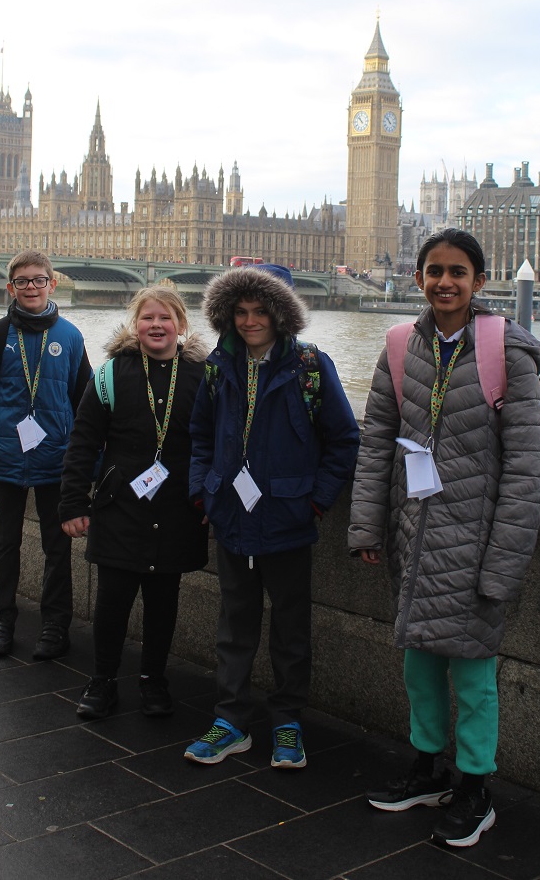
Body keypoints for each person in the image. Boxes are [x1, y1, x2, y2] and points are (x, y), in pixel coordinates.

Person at [348, 228, 540, 847]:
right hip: (413, 532)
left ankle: (474, 787)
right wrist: (365, 526)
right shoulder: (400, 345)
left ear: (479, 282)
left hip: (476, 539)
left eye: (458, 272)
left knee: (474, 676)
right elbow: (377, 438)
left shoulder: (505, 353)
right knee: (419, 665)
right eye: (434, 271)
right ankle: (427, 767)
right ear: (419, 279)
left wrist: (503, 564)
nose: (445, 282)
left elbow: (526, 467)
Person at [184, 264, 359, 768]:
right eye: (239, 311)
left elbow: (344, 439)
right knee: (234, 624)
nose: (249, 320)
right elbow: (200, 437)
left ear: (281, 314)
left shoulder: (309, 366)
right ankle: (231, 721)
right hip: (232, 517)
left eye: (260, 310)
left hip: (287, 517)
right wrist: (203, 492)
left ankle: (287, 721)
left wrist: (316, 501)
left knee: (290, 628)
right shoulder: (218, 367)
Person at [59, 285, 209, 719]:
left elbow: (216, 443)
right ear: (135, 325)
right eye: (148, 318)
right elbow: (83, 442)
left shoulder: (202, 376)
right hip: (119, 507)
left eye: (166, 318)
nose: (156, 325)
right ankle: (102, 680)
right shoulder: (111, 374)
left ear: (181, 325)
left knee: (164, 603)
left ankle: (153, 679)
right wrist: (72, 503)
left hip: (178, 508)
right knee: (112, 602)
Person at [0, 251, 91, 659]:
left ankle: (55, 626)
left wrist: (90, 466)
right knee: (4, 543)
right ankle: (2, 621)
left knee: (58, 545)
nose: (31, 287)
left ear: (53, 284)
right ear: (10, 288)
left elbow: (86, 407)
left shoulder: (70, 337)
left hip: (56, 460)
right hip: (7, 457)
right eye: (22, 281)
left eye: (38, 280)